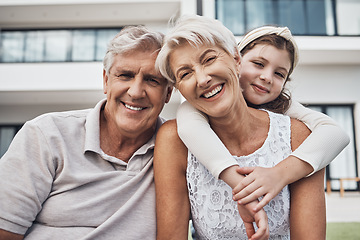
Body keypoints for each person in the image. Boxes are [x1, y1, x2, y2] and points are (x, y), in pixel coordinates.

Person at [154, 15, 326, 239]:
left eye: (208, 59)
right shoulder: (175, 140)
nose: (202, 79)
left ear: (236, 59)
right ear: (179, 89)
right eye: (185, 73)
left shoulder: (298, 136)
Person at [0, 26, 173, 240]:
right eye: (125, 76)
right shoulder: (46, 135)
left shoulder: (177, 150)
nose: (136, 92)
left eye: (152, 80)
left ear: (168, 93)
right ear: (106, 81)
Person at [175, 25, 350, 211]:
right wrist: (234, 178)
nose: (267, 77)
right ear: (236, 61)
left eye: (279, 74)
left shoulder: (283, 107)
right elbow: (187, 124)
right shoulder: (205, 102)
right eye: (259, 64)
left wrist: (279, 175)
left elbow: (336, 133)